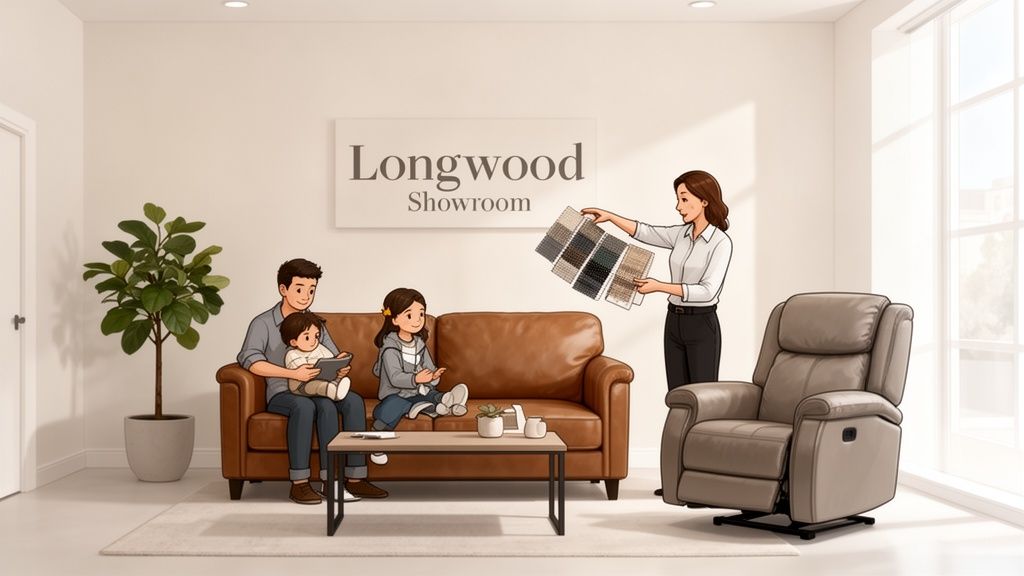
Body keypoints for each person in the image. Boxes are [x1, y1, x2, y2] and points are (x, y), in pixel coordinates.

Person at [584, 170, 732, 496]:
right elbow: (646, 232)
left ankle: (702, 482)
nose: (679, 206)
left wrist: (658, 286)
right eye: (678, 199)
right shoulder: (681, 235)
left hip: (701, 324)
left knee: (703, 405)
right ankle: (676, 480)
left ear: (704, 201)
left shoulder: (720, 243)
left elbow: (707, 290)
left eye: (684, 199)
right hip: (674, 322)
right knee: (678, 401)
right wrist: (609, 217)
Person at [237, 258, 388, 505]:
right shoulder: (263, 323)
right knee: (305, 406)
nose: (306, 296)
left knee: (353, 401)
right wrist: (294, 374)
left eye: (311, 290)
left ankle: (355, 478)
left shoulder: (315, 323)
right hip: (284, 391)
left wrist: (339, 367)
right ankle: (300, 483)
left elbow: (329, 354)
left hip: (319, 387)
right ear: (283, 289)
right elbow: (251, 361)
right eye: (299, 289)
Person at [371, 288, 469, 436]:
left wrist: (434, 376)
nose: (418, 320)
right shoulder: (389, 348)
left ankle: (444, 402)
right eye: (410, 315)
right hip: (395, 393)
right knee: (394, 405)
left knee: (430, 394)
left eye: (421, 314)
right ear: (394, 319)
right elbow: (395, 377)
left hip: (417, 391)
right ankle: (379, 438)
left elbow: (429, 368)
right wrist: (416, 379)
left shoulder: (419, 344)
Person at [280, 312, 351, 401]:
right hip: (301, 386)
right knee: (316, 385)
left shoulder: (320, 348)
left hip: (324, 379)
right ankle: (333, 391)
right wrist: (318, 366)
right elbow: (303, 371)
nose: (313, 341)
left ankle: (335, 386)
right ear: (294, 342)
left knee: (327, 382)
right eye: (307, 338)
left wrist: (338, 363)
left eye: (316, 336)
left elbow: (330, 360)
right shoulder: (292, 354)